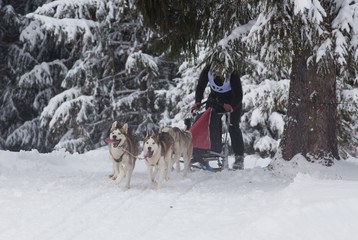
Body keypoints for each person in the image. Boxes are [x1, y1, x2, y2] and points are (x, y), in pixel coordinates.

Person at [191, 63, 245, 170]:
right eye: (216, 68)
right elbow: (201, 86)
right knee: (209, 122)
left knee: (233, 127)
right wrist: (198, 101)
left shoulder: (232, 73)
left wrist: (231, 106)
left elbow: (239, 95)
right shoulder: (208, 69)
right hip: (215, 99)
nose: (218, 70)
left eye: (220, 68)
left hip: (232, 100)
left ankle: (239, 157)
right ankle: (207, 152)